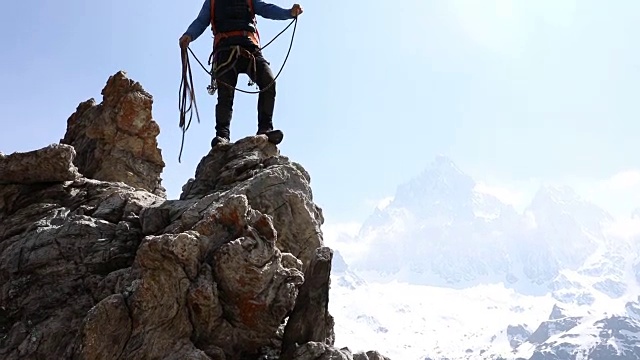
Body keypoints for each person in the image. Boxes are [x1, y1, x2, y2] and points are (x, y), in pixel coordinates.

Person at [179, 0, 303, 147]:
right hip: (225, 50)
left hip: (250, 47)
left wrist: (288, 13)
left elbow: (266, 9)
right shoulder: (212, 2)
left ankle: (265, 128)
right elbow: (201, 21)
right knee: (225, 94)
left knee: (269, 82)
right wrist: (189, 35)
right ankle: (222, 135)